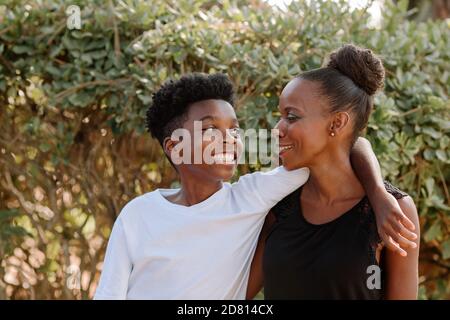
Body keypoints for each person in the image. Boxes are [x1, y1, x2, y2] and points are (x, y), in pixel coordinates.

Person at [94, 72, 416, 299]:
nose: (229, 138)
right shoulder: (138, 214)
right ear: (175, 147)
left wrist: (378, 193)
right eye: (210, 129)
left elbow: (347, 146)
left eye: (234, 129)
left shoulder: (251, 197)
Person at [246, 44, 420, 300]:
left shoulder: (392, 212)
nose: (277, 129)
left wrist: (378, 193)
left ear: (337, 123)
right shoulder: (280, 204)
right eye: (280, 116)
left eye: (291, 117)